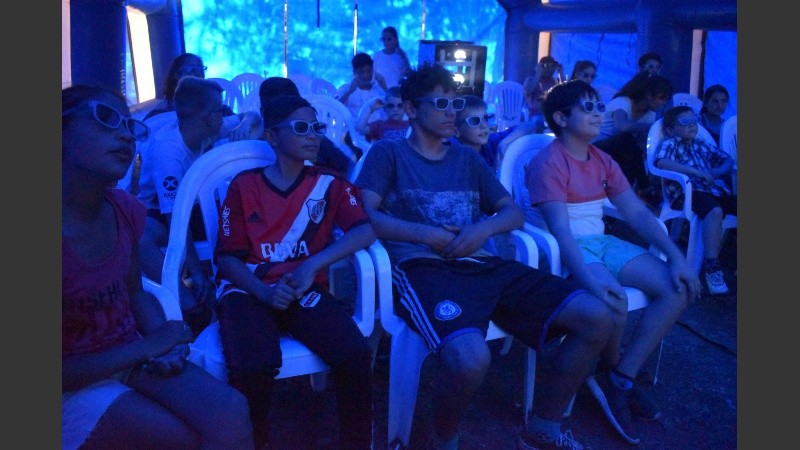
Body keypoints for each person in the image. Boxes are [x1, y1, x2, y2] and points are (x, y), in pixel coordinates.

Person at [354, 61, 616, 450]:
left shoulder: (467, 158)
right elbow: (364, 214)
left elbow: (511, 212)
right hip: (424, 268)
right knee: (471, 359)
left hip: (483, 262)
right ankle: (441, 438)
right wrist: (427, 235)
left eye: (455, 103)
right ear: (411, 109)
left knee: (597, 317)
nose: (452, 112)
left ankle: (544, 427)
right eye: (441, 103)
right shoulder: (388, 154)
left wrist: (482, 230)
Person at [62, 84, 254, 450]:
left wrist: (163, 346)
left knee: (231, 411)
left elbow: (134, 293)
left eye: (129, 125)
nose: (125, 134)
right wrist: (152, 344)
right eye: (106, 118)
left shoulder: (123, 210)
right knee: (180, 437)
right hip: (72, 381)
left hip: (127, 353)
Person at [524, 80, 702, 444]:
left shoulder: (602, 160)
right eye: (587, 108)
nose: (598, 114)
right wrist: (591, 282)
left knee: (677, 288)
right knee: (612, 300)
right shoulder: (549, 162)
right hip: (565, 247)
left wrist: (678, 258)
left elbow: (636, 213)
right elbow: (561, 231)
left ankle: (621, 377)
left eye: (599, 107)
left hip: (600, 242)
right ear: (561, 118)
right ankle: (607, 371)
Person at [213, 94, 376, 449]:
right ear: (273, 136)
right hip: (248, 290)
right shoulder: (244, 185)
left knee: (354, 355)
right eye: (301, 128)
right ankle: (255, 442)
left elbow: (364, 230)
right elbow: (227, 259)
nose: (313, 135)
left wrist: (313, 264)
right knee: (254, 366)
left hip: (303, 288)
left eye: (317, 127)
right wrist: (264, 292)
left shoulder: (329, 183)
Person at [136, 77, 247, 336]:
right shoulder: (168, 153)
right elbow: (175, 218)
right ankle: (189, 305)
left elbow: (248, 117)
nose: (225, 115)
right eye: (221, 110)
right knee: (138, 237)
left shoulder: (210, 127)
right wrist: (195, 271)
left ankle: (238, 293)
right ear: (208, 118)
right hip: (161, 211)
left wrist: (246, 124)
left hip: (199, 207)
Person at [654, 105, 737, 295]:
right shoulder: (670, 143)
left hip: (713, 191)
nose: (692, 125)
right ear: (670, 129)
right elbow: (662, 162)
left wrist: (717, 170)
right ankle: (712, 267)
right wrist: (696, 172)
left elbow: (727, 160)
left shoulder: (700, 144)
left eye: (694, 120)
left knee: (721, 205)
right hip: (687, 193)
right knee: (715, 211)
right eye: (685, 122)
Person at [592, 71, 673, 204]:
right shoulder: (622, 103)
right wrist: (653, 127)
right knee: (625, 139)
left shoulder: (650, 114)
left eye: (666, 99)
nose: (663, 103)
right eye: (661, 97)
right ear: (648, 95)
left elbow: (639, 145)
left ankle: (622, 199)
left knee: (631, 155)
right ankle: (643, 187)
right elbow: (622, 126)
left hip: (618, 154)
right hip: (595, 149)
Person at [259, 76, 356, 175]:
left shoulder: (316, 140)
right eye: (281, 109)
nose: (312, 135)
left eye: (295, 106)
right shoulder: (255, 143)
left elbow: (348, 167)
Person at [451, 94, 539, 172]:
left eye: (486, 118)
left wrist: (505, 142)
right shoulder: (453, 156)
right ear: (456, 131)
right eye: (474, 120)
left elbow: (529, 125)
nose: (484, 125)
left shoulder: (490, 142)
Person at [143, 53, 207, 121]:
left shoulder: (210, 104)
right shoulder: (161, 111)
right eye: (192, 69)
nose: (198, 73)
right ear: (177, 75)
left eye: (201, 69)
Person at [337, 52, 387, 119]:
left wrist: (385, 87)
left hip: (377, 124)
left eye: (369, 71)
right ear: (354, 72)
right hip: (353, 125)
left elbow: (393, 107)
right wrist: (349, 92)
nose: (366, 75)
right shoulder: (345, 88)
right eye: (361, 72)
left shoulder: (379, 89)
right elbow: (333, 108)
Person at [372, 26, 412, 90]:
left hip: (396, 93)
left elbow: (408, 74)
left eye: (389, 39)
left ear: (395, 39)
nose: (386, 42)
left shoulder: (401, 56)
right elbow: (372, 75)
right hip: (378, 92)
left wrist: (404, 58)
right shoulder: (377, 56)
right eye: (383, 39)